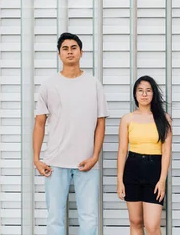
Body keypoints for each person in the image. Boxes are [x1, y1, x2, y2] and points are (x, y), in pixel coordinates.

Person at [33, 32, 108, 235]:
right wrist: (36, 159)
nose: (69, 52)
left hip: (87, 162)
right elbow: (39, 123)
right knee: (55, 218)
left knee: (89, 218)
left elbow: (100, 123)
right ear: (59, 54)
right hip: (55, 163)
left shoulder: (93, 84)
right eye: (65, 48)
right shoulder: (49, 85)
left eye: (73, 48)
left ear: (81, 52)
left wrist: (94, 157)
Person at [116, 76, 172, 235]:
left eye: (148, 90)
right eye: (140, 91)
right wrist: (120, 180)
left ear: (153, 94)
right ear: (135, 94)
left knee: (152, 225)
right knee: (135, 222)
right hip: (132, 169)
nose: (144, 94)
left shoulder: (164, 119)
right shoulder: (127, 118)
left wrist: (162, 180)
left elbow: (166, 151)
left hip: (154, 171)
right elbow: (122, 150)